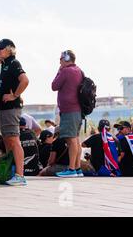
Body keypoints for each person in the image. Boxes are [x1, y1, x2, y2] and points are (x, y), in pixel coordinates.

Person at [0, 38, 29, 185]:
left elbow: (25, 80)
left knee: (14, 139)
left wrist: (14, 95)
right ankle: (11, 172)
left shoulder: (14, 63)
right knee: (8, 140)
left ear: (9, 49)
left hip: (11, 108)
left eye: (0, 48)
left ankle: (20, 175)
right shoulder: (4, 65)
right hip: (4, 109)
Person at [51, 50, 84, 178]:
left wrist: (59, 71)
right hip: (78, 110)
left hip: (69, 110)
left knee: (71, 140)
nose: (59, 61)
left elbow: (54, 86)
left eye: (60, 59)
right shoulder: (78, 70)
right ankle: (77, 168)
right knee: (75, 139)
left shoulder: (65, 71)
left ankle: (71, 169)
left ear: (66, 58)